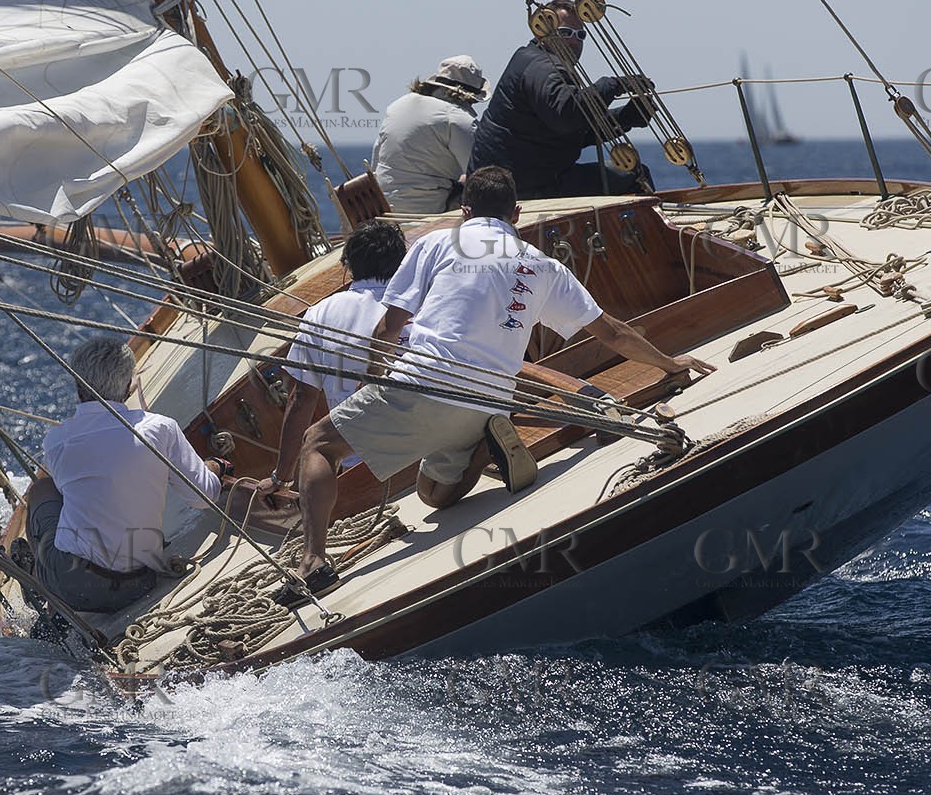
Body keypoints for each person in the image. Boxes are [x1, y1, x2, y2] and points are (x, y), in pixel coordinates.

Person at [276, 166, 715, 604]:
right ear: (517, 214)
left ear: (464, 211)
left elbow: (391, 325)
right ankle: (485, 441)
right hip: (489, 399)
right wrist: (668, 362)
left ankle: (313, 563)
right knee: (433, 497)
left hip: (424, 384)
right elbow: (613, 332)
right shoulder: (544, 267)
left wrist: (374, 380)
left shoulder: (435, 241)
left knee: (318, 443)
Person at [24, 336, 231, 615]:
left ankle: (42, 583)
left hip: (73, 586)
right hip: (137, 584)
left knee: (42, 490)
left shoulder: (57, 441)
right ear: (128, 385)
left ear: (77, 385)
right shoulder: (161, 428)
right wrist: (216, 466)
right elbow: (204, 497)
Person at [263, 219, 410, 494]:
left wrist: (280, 478)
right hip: (436, 438)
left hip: (365, 466)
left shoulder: (320, 314)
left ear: (348, 267)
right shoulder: (424, 297)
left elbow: (302, 398)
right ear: (402, 263)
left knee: (316, 442)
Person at [469, 0, 655, 198]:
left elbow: (569, 133)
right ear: (542, 31)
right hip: (522, 187)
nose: (574, 41)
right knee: (636, 175)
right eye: (565, 33)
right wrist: (614, 85)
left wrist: (626, 117)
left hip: (505, 184)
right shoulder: (544, 68)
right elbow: (568, 117)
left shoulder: (532, 60)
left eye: (580, 35)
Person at [371, 55, 488, 214]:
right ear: (470, 96)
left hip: (384, 210)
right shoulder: (459, 119)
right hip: (427, 211)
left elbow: (376, 164)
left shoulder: (397, 106)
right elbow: (482, 174)